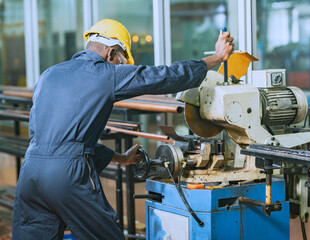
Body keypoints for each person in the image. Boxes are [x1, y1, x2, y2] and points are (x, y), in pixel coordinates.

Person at [12, 19, 234, 239]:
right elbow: (162, 76)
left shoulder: (49, 74)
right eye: (121, 62)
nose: (121, 68)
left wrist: (121, 158)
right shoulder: (105, 73)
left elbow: (61, 143)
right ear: (111, 54)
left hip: (30, 173)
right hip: (66, 176)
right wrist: (216, 58)